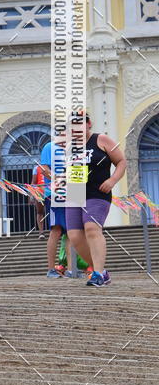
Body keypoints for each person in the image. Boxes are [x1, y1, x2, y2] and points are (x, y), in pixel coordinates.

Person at [65, 112, 126, 288]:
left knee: (91, 228)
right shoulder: (70, 147)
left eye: (80, 124)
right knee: (74, 236)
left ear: (89, 123)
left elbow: (121, 161)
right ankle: (101, 270)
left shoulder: (101, 140)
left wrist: (112, 180)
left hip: (98, 192)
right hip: (75, 193)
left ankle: (97, 273)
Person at [39, 137, 68, 278]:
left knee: (72, 231)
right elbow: (44, 169)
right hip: (55, 193)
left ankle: (71, 268)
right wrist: (61, 181)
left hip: (74, 193)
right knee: (56, 229)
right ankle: (51, 269)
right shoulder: (49, 146)